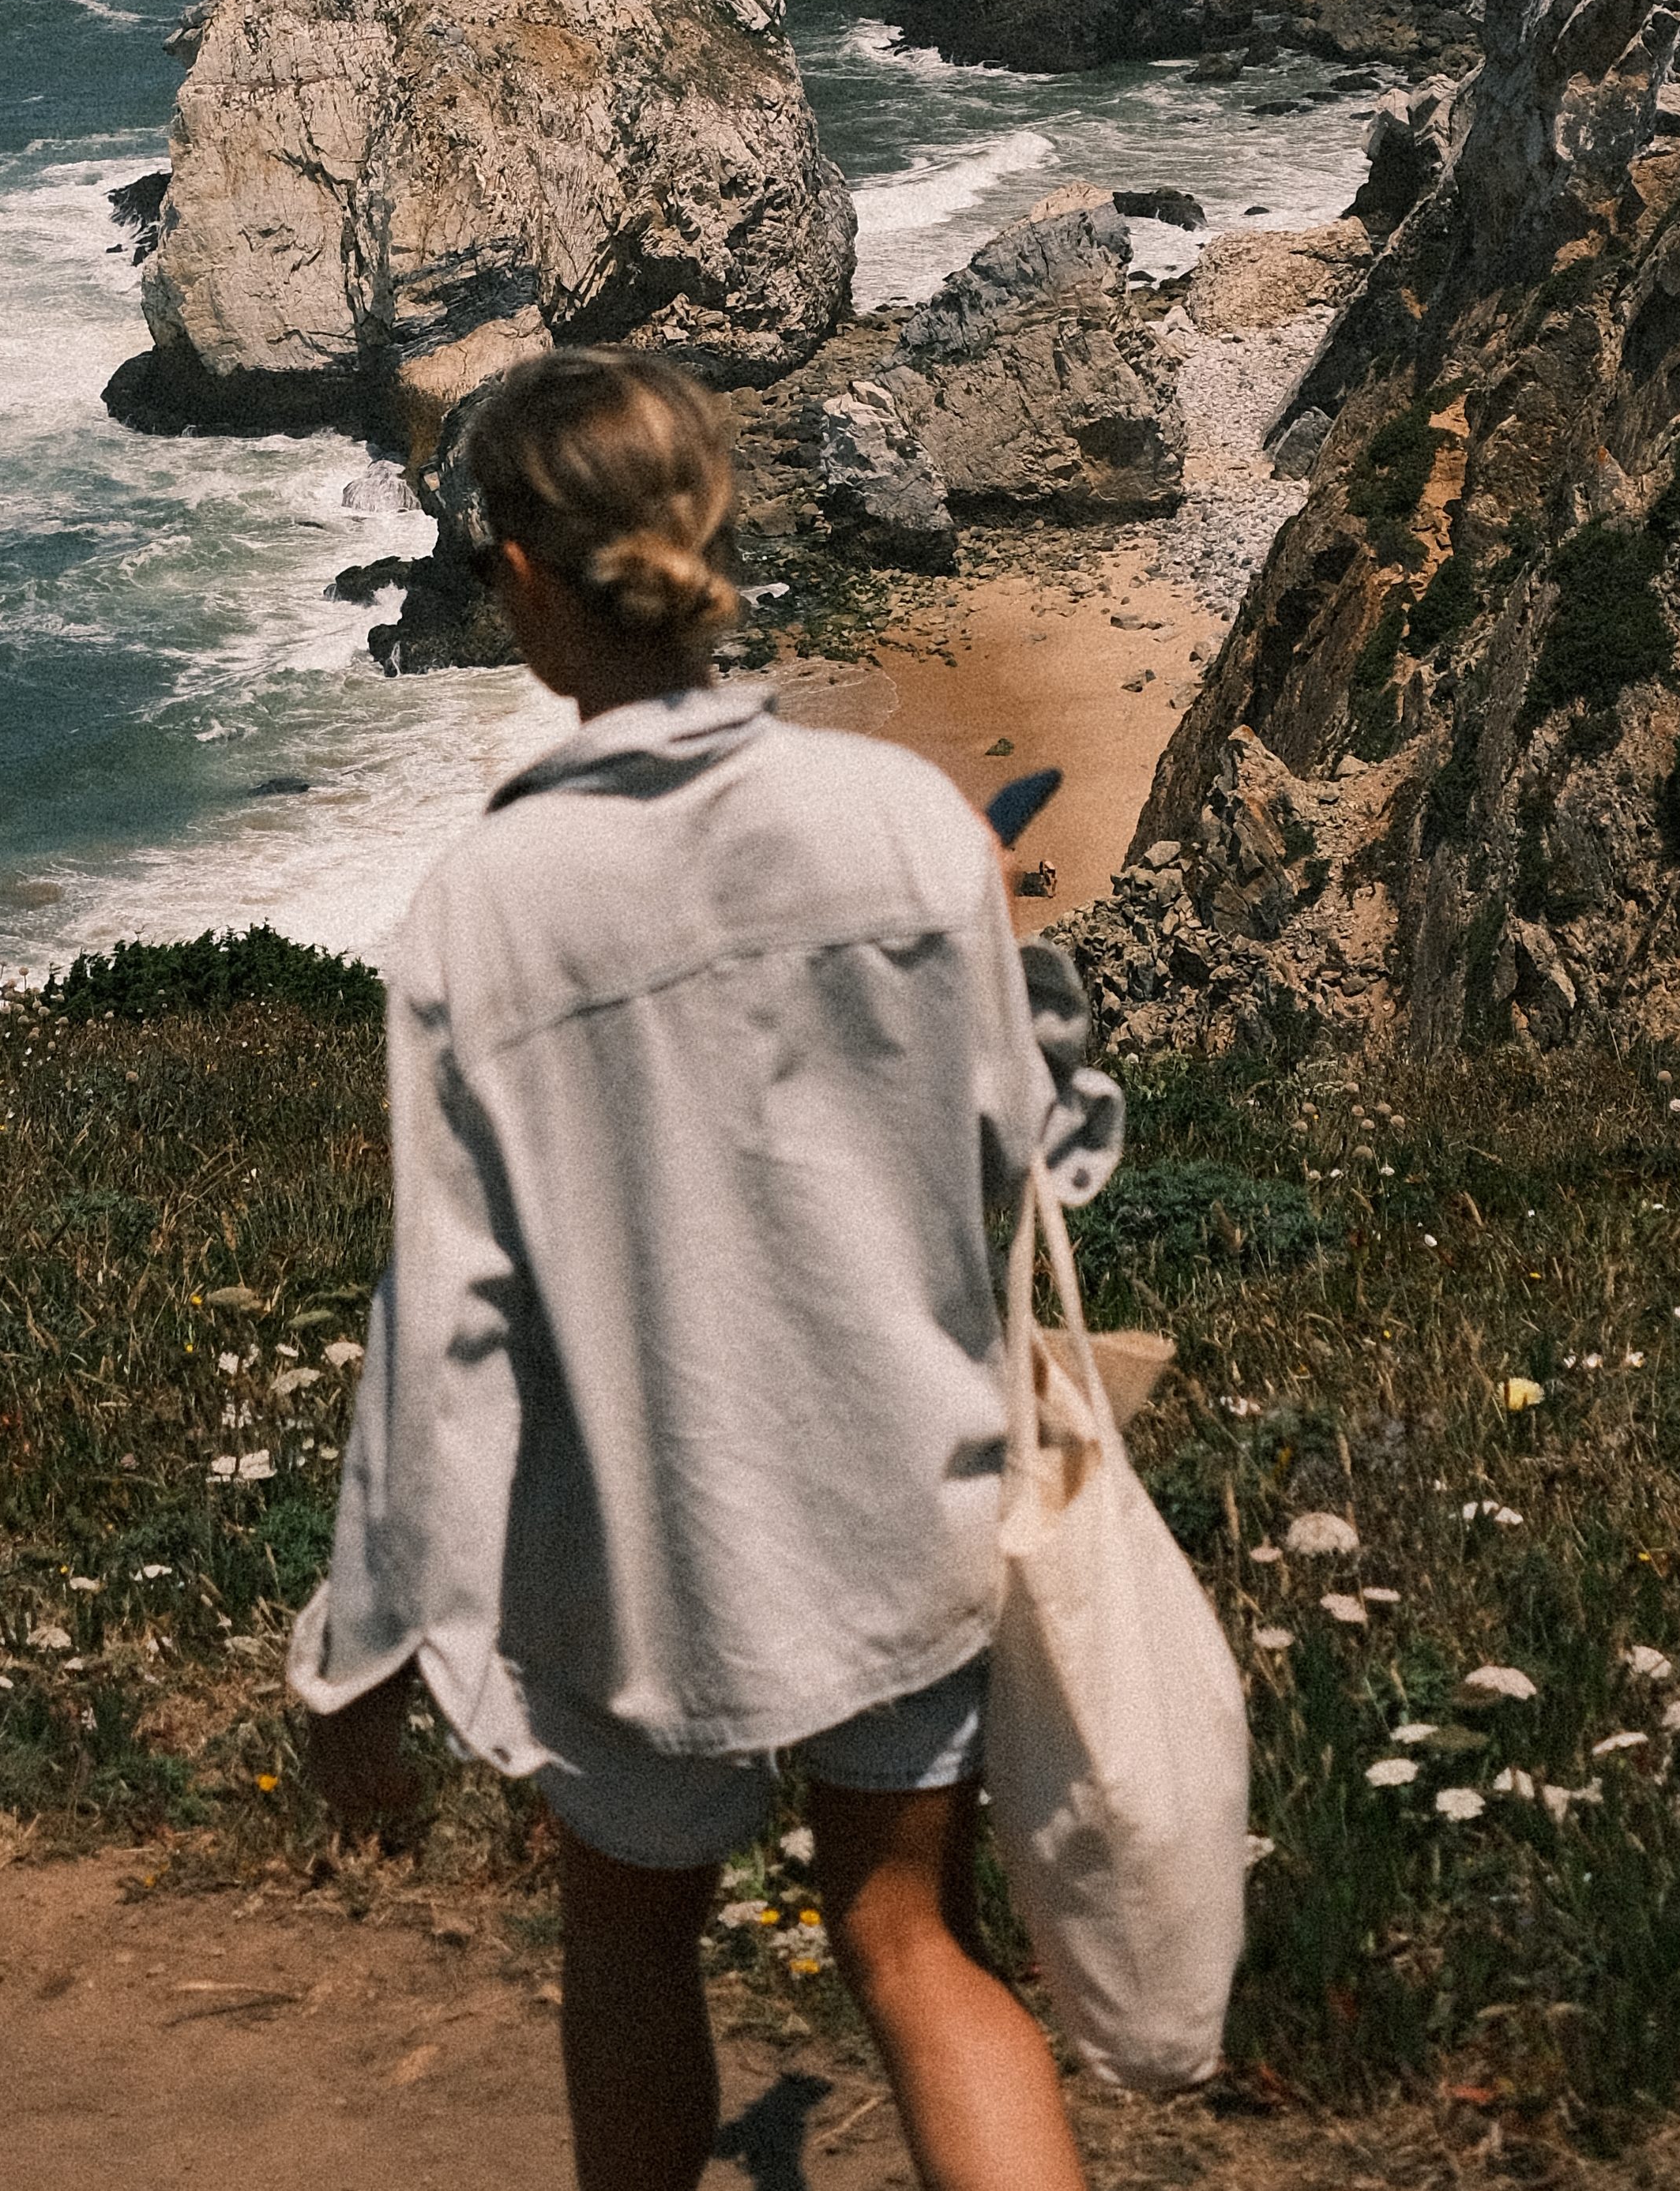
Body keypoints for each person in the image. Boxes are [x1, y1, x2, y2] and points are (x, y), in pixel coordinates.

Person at [289, 346, 1110, 2191]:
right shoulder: (904, 818)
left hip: (642, 1550)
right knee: (913, 1948)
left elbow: (446, 1322)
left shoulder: (482, 908)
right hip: (906, 1488)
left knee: (631, 1943)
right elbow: (1052, 1139)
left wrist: (360, 1644)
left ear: (511, 578)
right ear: (717, 533)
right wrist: (961, 926)